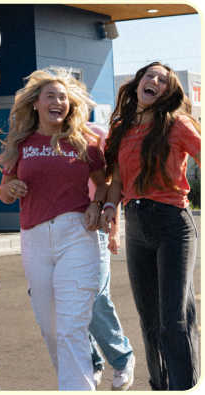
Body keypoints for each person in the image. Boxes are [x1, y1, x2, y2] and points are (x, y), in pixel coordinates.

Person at [0, 68, 108, 390]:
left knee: (72, 326)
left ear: (70, 104)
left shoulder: (84, 142)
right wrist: (11, 188)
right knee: (50, 327)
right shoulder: (20, 143)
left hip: (76, 235)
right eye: (50, 96)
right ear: (36, 104)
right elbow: (4, 192)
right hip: (34, 238)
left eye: (63, 97)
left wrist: (96, 204)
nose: (57, 101)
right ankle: (73, 382)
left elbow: (104, 184)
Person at [100, 62, 201, 391]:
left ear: (168, 92)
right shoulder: (121, 126)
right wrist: (110, 212)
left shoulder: (177, 124)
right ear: (138, 82)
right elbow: (114, 177)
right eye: (150, 76)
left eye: (163, 80)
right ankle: (160, 385)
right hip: (138, 227)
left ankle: (183, 387)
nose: (155, 81)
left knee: (174, 320)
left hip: (174, 225)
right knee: (150, 321)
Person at [86, 122, 135, 391]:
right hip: (61, 229)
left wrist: (114, 229)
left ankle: (122, 357)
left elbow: (112, 182)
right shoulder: (43, 134)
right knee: (71, 302)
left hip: (97, 227)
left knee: (95, 296)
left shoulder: (98, 134)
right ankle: (93, 362)